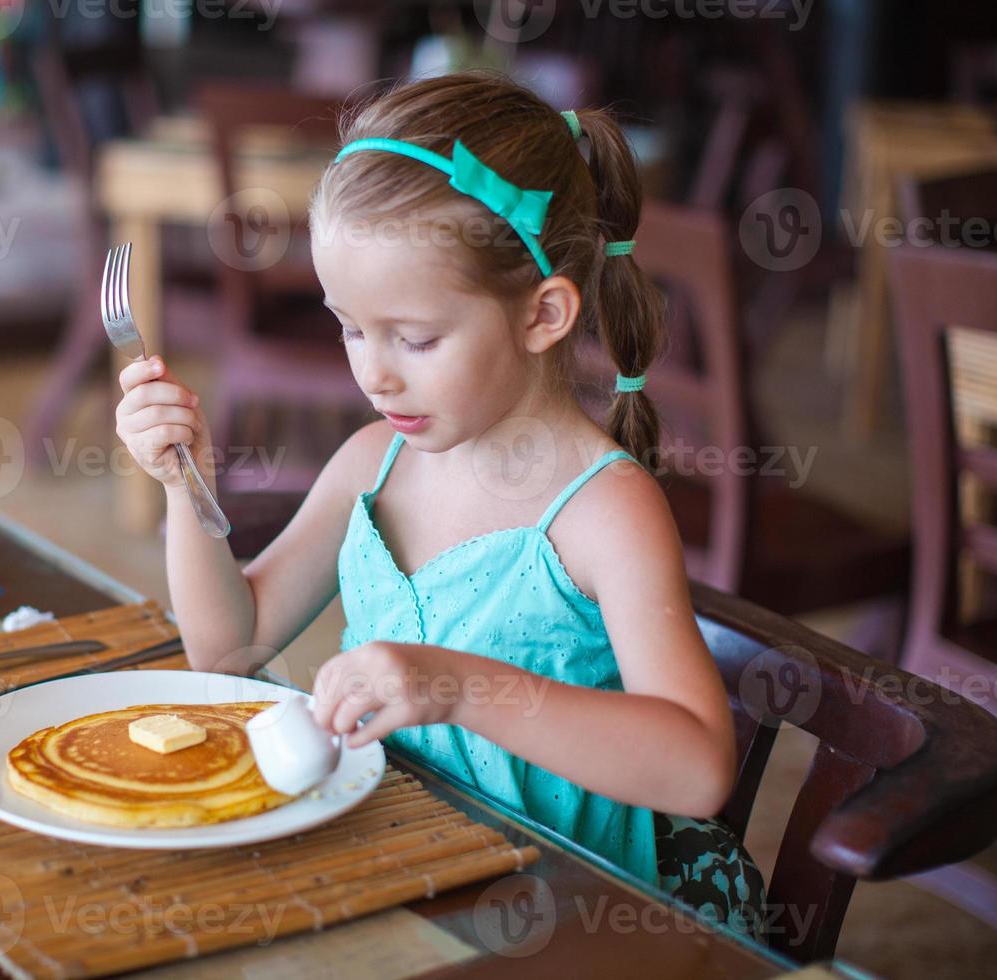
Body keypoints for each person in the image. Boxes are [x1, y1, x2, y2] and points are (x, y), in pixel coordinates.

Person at [114, 70, 765, 939]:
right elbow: (231, 645)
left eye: (415, 338)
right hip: (405, 871)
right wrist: (182, 484)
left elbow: (694, 769)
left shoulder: (603, 511)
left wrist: (453, 685)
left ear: (543, 314)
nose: (373, 372)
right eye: (348, 326)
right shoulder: (371, 466)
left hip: (563, 915)